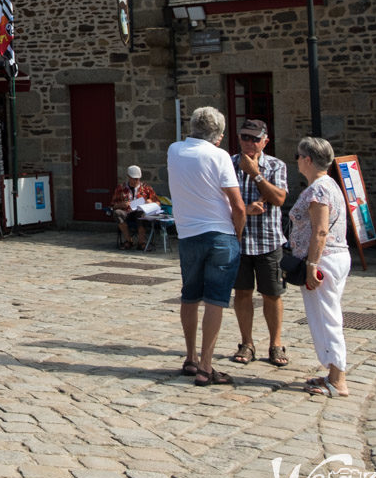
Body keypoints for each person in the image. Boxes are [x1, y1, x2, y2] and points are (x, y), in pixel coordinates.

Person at [165, 107, 247, 388]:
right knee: (215, 299)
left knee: (189, 296)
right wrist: (237, 234)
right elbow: (237, 205)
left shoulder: (174, 150)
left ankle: (190, 357)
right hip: (220, 233)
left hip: (188, 234)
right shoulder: (219, 156)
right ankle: (206, 366)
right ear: (218, 136)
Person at [291, 135, 351, 397]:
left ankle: (338, 379)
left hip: (324, 258)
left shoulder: (318, 189)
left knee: (327, 317)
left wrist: (311, 264)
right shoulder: (330, 185)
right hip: (333, 257)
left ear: (307, 159)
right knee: (325, 314)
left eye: (298, 157)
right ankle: (332, 373)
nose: (296, 162)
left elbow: (320, 230)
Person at [229, 118, 290, 367]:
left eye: (255, 138)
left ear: (265, 140)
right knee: (242, 293)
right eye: (244, 137)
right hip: (239, 241)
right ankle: (247, 342)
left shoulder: (276, 165)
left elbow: (279, 198)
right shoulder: (229, 164)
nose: (249, 143)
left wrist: (255, 174)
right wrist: (246, 209)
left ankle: (275, 344)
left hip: (268, 241)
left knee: (272, 294)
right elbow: (220, 203)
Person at [109, 165, 157, 249]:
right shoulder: (120, 188)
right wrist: (121, 205)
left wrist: (150, 202)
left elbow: (157, 203)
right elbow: (112, 205)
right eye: (133, 178)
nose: (135, 181)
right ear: (128, 177)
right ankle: (129, 241)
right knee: (117, 213)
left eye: (137, 179)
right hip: (126, 213)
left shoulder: (146, 188)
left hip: (139, 213)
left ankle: (141, 243)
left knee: (140, 213)